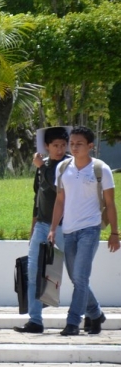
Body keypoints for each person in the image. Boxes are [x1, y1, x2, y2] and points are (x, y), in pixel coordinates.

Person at [48, 125, 118, 336]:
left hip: (90, 230)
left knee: (80, 277)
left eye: (79, 144)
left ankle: (72, 322)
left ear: (90, 146)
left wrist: (115, 233)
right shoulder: (63, 169)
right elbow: (59, 200)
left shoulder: (101, 169)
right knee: (77, 278)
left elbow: (111, 203)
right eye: (72, 143)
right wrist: (52, 229)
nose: (74, 147)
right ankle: (96, 314)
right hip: (68, 231)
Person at [14, 126, 71, 334]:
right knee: (33, 271)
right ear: (47, 146)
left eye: (63, 145)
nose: (60, 149)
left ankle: (94, 312)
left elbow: (59, 188)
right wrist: (33, 228)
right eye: (55, 145)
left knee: (74, 274)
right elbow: (37, 199)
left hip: (66, 226)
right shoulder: (43, 166)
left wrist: (41, 168)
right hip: (42, 225)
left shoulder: (71, 166)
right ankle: (35, 320)